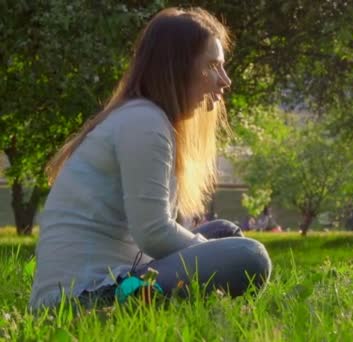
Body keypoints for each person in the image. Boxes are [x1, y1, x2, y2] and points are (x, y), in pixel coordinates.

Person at [29, 7, 271, 310]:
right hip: (84, 297)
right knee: (249, 257)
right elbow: (155, 235)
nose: (225, 80)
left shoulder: (145, 117)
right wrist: (214, 253)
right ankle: (130, 304)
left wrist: (213, 249)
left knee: (226, 233)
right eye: (212, 66)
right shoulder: (144, 122)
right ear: (177, 67)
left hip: (122, 271)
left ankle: (203, 301)